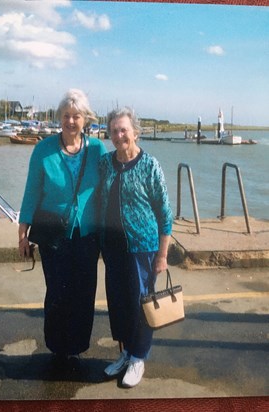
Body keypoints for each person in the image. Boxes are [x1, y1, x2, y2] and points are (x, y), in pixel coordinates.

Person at [18, 89, 107, 374]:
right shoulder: (43, 149)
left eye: (76, 116)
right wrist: (23, 233)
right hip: (53, 233)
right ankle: (57, 347)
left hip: (87, 232)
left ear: (85, 119)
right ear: (60, 118)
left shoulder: (97, 149)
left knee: (83, 292)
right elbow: (32, 192)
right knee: (57, 292)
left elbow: (110, 187)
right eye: (66, 116)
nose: (71, 121)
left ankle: (77, 346)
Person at [99, 107, 173, 388]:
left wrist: (162, 254)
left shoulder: (149, 165)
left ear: (135, 132)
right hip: (113, 248)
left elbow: (165, 215)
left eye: (124, 130)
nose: (119, 136)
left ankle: (138, 357)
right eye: (114, 131)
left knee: (141, 303)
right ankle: (125, 353)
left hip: (143, 247)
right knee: (118, 303)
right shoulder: (105, 163)